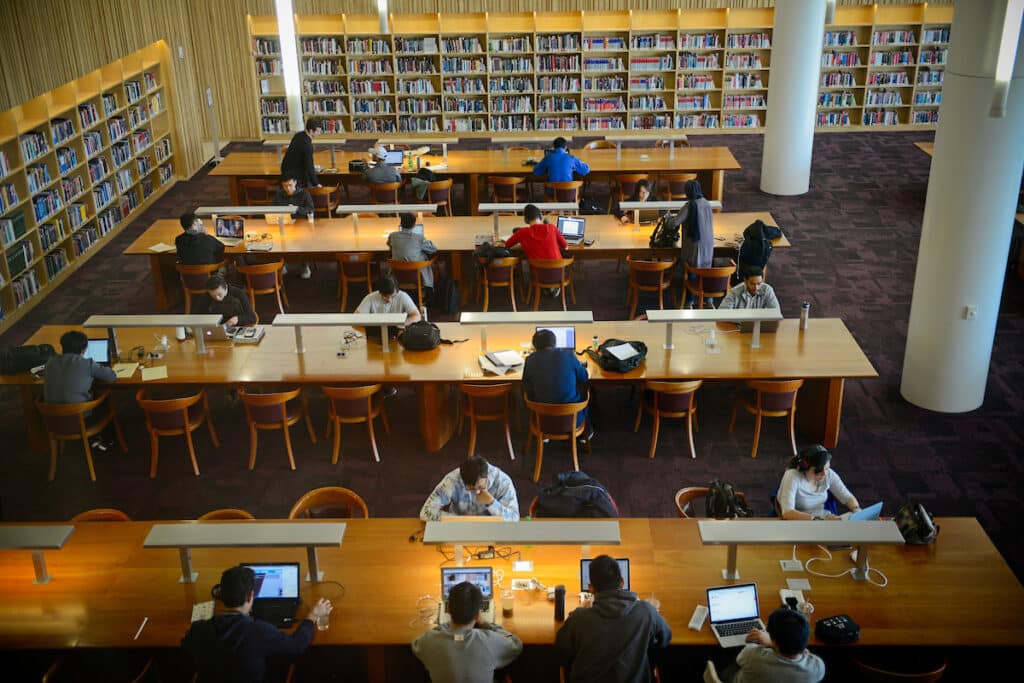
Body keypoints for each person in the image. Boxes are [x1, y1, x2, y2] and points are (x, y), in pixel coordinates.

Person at [182, 565, 331, 683]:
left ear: (221, 595)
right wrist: (312, 615)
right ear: (251, 596)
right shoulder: (259, 631)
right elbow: (297, 645)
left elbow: (186, 644)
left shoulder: (199, 629)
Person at [555, 554, 671, 683]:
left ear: (591, 588)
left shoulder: (579, 619)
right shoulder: (647, 612)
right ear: (622, 582)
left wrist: (583, 609)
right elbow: (665, 638)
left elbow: (561, 650)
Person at [411, 581, 523, 683]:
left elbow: (416, 645)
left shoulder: (430, 641)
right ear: (478, 615)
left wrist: (444, 626)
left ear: (448, 609)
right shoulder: (489, 641)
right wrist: (485, 624)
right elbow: (516, 644)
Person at [44, 330, 118, 451]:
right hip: (79, 421)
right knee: (105, 399)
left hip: (53, 420)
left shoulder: (50, 362)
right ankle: (104, 441)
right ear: (84, 349)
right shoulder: (86, 363)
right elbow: (112, 377)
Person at [720, 607, 825, 683]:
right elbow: (805, 653)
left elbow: (739, 660)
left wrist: (770, 643)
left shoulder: (752, 655)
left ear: (774, 640)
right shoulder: (817, 667)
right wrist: (772, 643)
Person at [522, 328, 590, 431]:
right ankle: (586, 433)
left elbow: (526, 386)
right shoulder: (569, 355)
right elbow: (584, 377)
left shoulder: (530, 360)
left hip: (542, 420)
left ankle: (543, 436)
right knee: (586, 393)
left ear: (534, 346)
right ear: (555, 343)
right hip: (572, 420)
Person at [420, 455, 520, 521]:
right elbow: (426, 512)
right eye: (471, 489)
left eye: (481, 487)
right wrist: (459, 520)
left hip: (491, 528)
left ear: (488, 474)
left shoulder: (503, 481)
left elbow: (515, 518)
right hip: (458, 527)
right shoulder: (453, 480)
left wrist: (492, 503)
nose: (477, 492)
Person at [778, 445, 861, 520]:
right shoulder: (792, 476)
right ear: (805, 468)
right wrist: (819, 520)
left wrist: (856, 509)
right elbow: (787, 513)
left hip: (822, 517)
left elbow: (847, 497)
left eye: (827, 468)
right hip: (801, 520)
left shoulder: (828, 474)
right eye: (818, 471)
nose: (824, 474)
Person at [678, 179, 715, 306]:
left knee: (692, 270)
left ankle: (690, 301)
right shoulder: (707, 203)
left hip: (695, 244)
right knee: (705, 270)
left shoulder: (689, 206)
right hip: (709, 243)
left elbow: (675, 223)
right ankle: (708, 299)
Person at [271, 176, 316, 279]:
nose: (288, 188)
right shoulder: (279, 195)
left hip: (301, 224)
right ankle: (283, 263)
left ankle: (305, 265)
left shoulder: (304, 194)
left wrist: (297, 209)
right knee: (278, 240)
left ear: (295, 183)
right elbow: (272, 209)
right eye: (285, 186)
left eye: (290, 185)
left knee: (303, 240)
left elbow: (311, 210)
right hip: (284, 224)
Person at [388, 212, 438, 289]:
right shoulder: (419, 238)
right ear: (414, 225)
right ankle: (427, 288)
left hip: (397, 274)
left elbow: (389, 245)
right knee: (424, 256)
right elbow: (433, 249)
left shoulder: (392, 236)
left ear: (400, 224)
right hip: (416, 275)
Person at [354, 274, 421, 327]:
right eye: (385, 296)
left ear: (397, 291)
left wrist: (402, 324)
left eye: (393, 296)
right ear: (380, 292)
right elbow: (356, 318)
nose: (389, 300)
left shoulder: (402, 296)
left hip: (397, 332)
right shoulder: (371, 298)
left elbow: (417, 316)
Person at [193, 275, 257, 327]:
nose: (217, 298)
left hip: (236, 328)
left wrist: (238, 319)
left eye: (219, 294)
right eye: (213, 296)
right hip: (214, 328)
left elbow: (252, 317)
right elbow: (196, 316)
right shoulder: (206, 296)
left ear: (226, 287)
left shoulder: (238, 294)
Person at [280, 119, 322, 189]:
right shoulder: (307, 145)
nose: (319, 133)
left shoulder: (298, 135)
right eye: (318, 131)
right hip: (295, 177)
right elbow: (309, 166)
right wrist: (316, 183)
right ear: (311, 131)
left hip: (285, 171)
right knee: (309, 186)